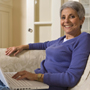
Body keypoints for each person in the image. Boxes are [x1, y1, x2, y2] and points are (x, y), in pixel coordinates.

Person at [2, 1, 90, 90]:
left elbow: (71, 78)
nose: (66, 21)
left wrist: (36, 77)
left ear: (82, 20)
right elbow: (44, 44)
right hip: (39, 82)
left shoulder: (83, 39)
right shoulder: (62, 40)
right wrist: (22, 46)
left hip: (51, 85)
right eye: (63, 17)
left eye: (72, 16)